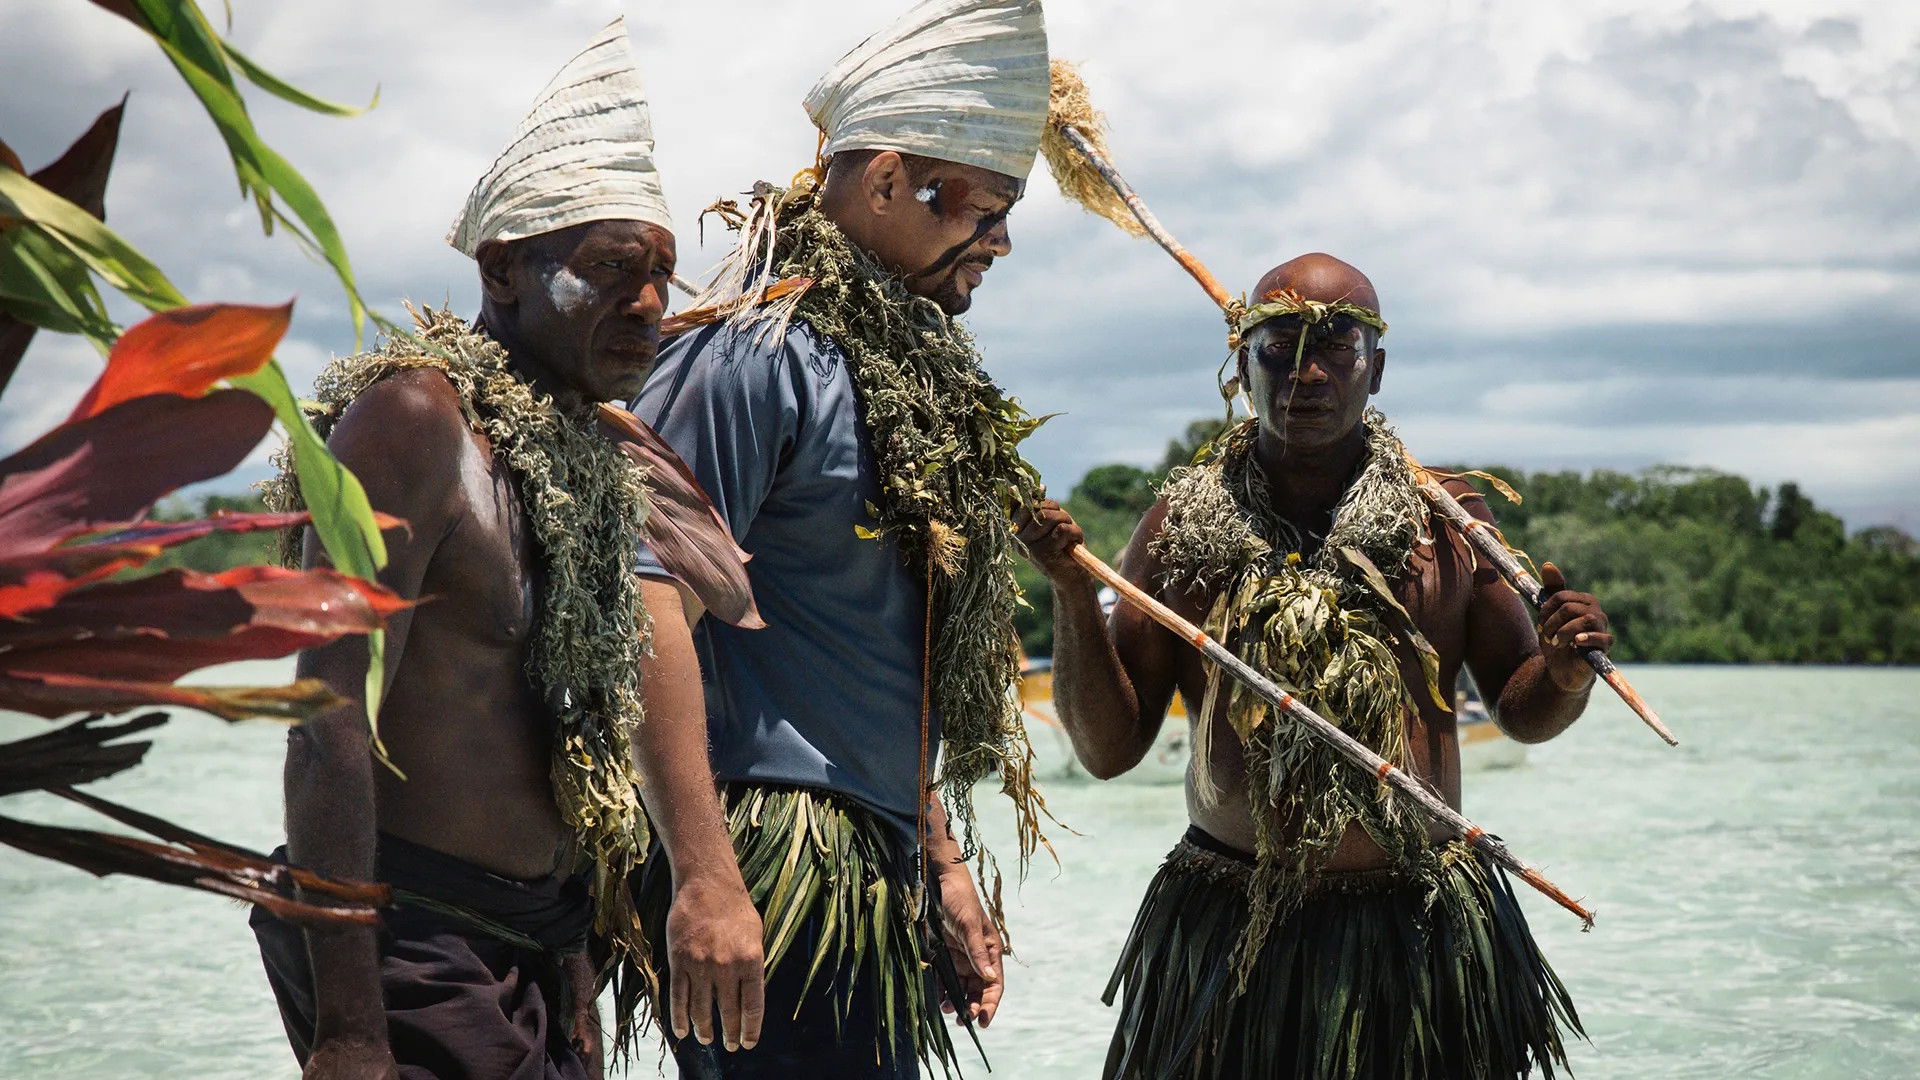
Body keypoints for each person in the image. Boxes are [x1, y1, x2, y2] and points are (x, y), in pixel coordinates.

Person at [250, 21, 747, 1080]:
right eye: (615, 268)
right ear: (503, 269)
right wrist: (349, 1031)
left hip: (536, 946)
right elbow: (325, 723)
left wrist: (575, 941)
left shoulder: (587, 463)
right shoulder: (412, 421)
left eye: (662, 273)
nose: (651, 304)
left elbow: (576, 719)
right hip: (409, 941)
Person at [1022, 252, 1603, 1079]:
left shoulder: (1449, 523)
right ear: (1241, 364)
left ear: (1377, 369)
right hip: (1232, 923)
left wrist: (1565, 673)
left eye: (1338, 346)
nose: (1308, 372)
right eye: (1279, 346)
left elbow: (1523, 713)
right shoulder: (1182, 529)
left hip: (1419, 923)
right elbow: (1109, 751)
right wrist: (1073, 597)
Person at [619, 1, 1056, 1075]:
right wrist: (705, 878)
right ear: (885, 180)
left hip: (874, 861)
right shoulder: (752, 357)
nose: (997, 240)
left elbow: (873, 646)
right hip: (768, 867)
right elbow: (642, 592)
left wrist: (940, 858)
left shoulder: (895, 376)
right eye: (984, 207)